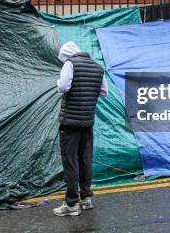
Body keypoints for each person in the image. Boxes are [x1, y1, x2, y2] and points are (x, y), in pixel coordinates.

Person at [53, 41, 108, 217]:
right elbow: (104, 92)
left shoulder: (70, 64)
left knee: (70, 161)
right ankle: (85, 198)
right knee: (85, 159)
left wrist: (58, 82)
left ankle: (71, 204)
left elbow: (63, 87)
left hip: (70, 123)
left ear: (66, 55)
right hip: (87, 122)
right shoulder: (97, 67)